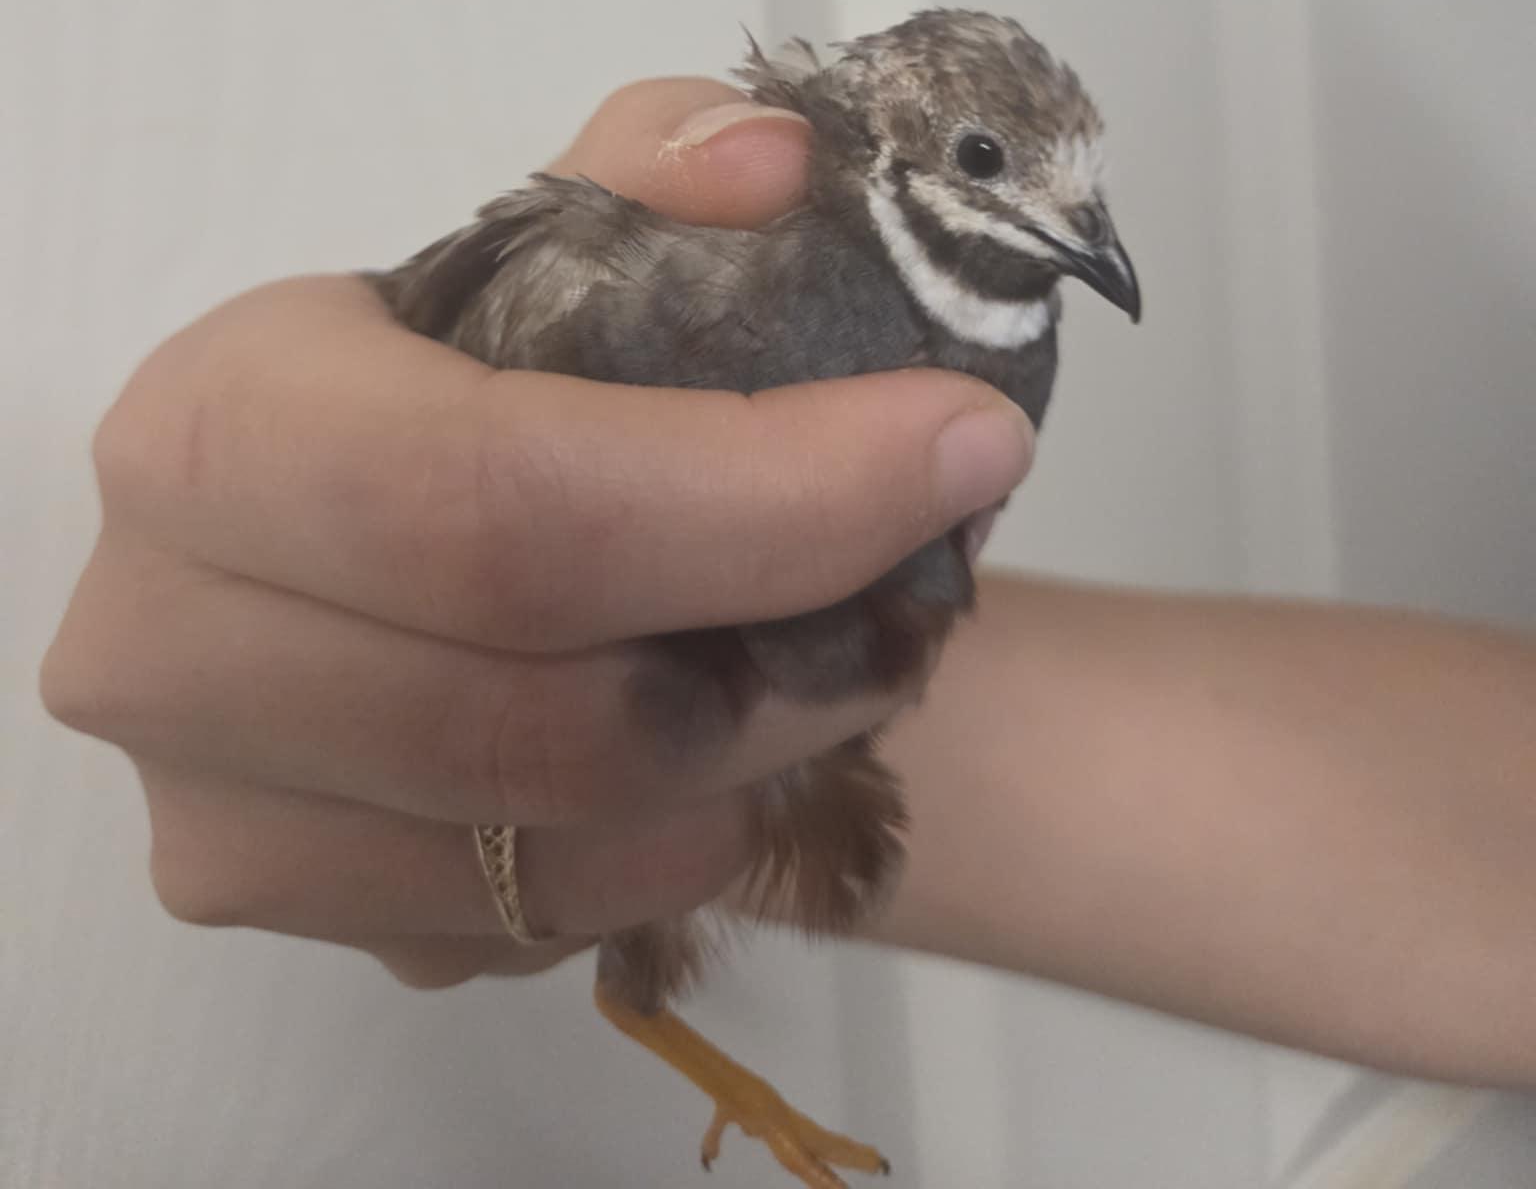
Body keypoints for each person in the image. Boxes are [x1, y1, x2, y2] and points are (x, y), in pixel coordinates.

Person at [40, 76, 1536, 1088]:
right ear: (895, 145)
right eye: (994, 165)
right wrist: (509, 642)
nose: (1083, 235)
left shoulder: (1009, 319)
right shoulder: (750, 224)